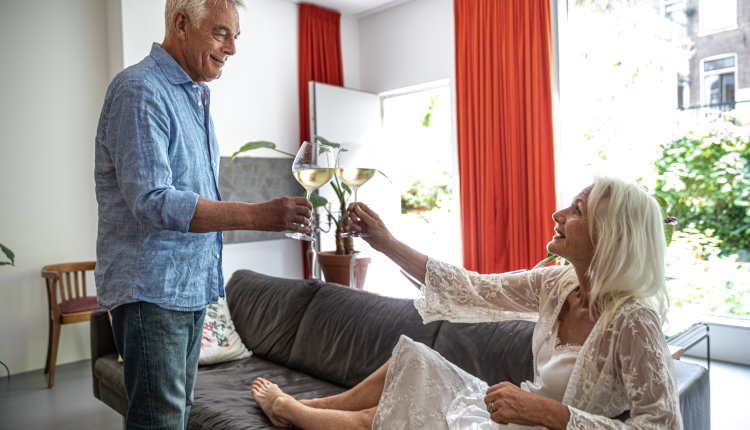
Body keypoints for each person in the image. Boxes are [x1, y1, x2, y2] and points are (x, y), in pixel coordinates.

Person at [250, 177, 683, 429]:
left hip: (537, 423)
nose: (558, 214)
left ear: (611, 234)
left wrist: (551, 413)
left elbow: (661, 428)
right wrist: (384, 243)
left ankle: (297, 413)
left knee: (404, 412)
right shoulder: (558, 284)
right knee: (412, 358)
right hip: (516, 417)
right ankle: (312, 409)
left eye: (576, 210)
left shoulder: (634, 320)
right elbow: (470, 288)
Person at [94, 0, 312, 428]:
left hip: (189, 289)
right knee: (161, 421)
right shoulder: (140, 89)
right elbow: (152, 200)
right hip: (153, 292)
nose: (231, 48)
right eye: (220, 33)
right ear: (180, 24)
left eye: (235, 37)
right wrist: (256, 215)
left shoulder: (194, 97)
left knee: (175, 415)